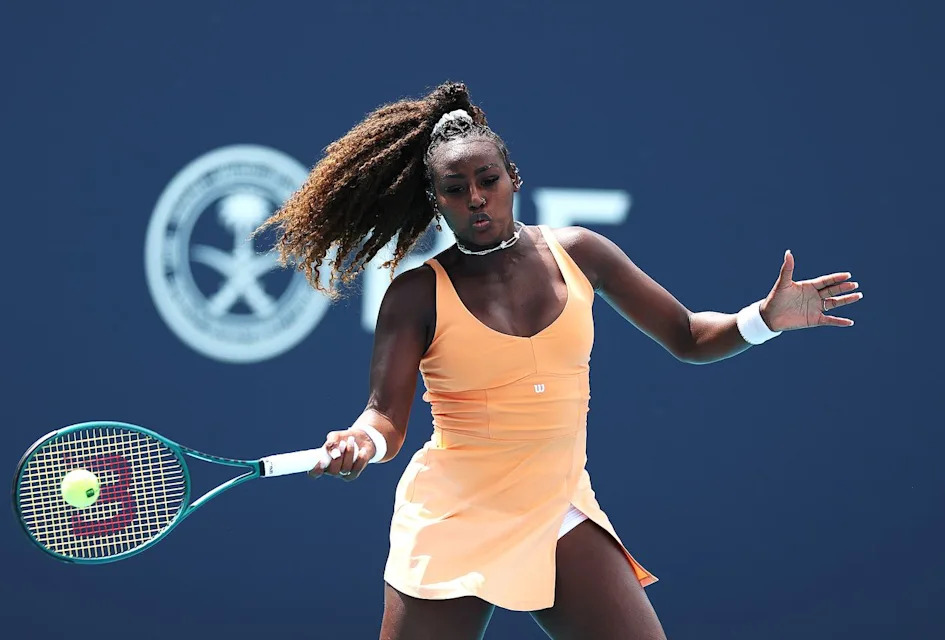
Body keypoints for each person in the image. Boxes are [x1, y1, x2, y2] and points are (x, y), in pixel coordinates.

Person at [262, 82, 863, 640]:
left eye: (487, 178)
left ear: (512, 177)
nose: (475, 196)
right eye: (455, 188)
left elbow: (687, 335)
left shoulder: (580, 253)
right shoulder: (416, 293)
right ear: (435, 200)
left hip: (556, 506)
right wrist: (361, 443)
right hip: (454, 518)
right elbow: (384, 418)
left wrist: (764, 318)